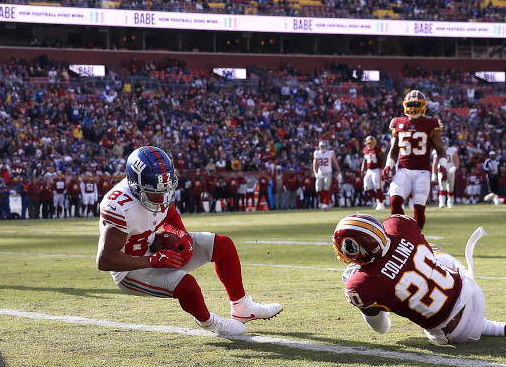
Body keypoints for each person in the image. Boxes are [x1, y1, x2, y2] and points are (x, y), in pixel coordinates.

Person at [96, 146, 282, 336]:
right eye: (154, 192)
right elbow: (105, 260)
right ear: (136, 186)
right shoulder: (120, 206)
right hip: (130, 270)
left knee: (223, 245)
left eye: (164, 190)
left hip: (154, 250)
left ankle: (242, 308)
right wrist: (153, 260)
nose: (161, 197)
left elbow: (171, 216)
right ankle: (209, 323)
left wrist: (182, 236)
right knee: (187, 285)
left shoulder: (159, 187)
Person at [332, 213, 506, 345]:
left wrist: (361, 294)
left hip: (452, 333)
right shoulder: (399, 225)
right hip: (471, 292)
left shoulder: (360, 285)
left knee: (394, 296)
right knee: (429, 253)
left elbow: (382, 329)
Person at [382, 90, 446, 227]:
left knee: (419, 209)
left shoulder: (431, 123)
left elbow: (440, 149)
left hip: (423, 171)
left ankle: (415, 238)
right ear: (405, 105)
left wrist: (443, 165)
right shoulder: (397, 122)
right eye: (411, 104)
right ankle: (399, 234)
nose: (414, 107)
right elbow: (394, 150)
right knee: (395, 202)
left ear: (424, 106)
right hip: (403, 170)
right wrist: (389, 165)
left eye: (417, 104)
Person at [312, 139, 341, 211]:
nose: (323, 147)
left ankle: (325, 203)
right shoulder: (316, 153)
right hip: (320, 172)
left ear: (327, 146)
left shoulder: (330, 153)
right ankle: (329, 200)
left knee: (326, 189)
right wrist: (315, 173)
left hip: (328, 172)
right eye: (322, 146)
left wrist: (339, 172)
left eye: (324, 146)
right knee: (318, 189)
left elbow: (335, 163)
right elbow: (314, 164)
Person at [360, 136, 385, 211]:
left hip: (377, 169)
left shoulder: (378, 149)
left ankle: (381, 203)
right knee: (366, 187)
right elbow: (364, 159)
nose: (370, 145)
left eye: (371, 143)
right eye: (368, 143)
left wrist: (382, 169)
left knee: (378, 186)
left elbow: (383, 159)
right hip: (369, 170)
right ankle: (379, 198)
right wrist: (362, 169)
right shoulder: (365, 149)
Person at [435, 137, 460, 209]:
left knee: (451, 188)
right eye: (442, 142)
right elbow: (435, 162)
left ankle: (450, 203)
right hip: (442, 171)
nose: (444, 144)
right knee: (442, 187)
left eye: (445, 142)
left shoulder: (452, 150)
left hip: (450, 170)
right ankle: (442, 203)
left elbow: (456, 159)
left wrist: (455, 167)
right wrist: (434, 173)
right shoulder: (438, 150)